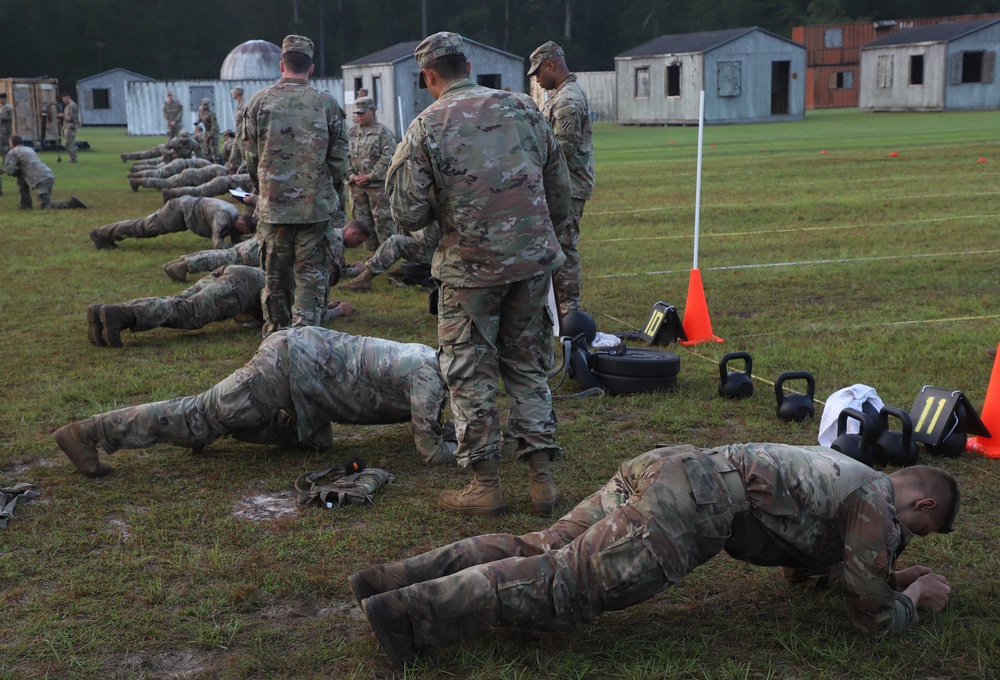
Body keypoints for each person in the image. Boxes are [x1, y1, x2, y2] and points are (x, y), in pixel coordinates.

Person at [352, 443, 960, 670]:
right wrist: (909, 597)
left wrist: (873, 572)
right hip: (692, 503)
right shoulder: (875, 503)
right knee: (566, 582)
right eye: (917, 530)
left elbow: (801, 559)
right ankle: (406, 612)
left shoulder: (845, 472)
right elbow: (873, 619)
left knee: (545, 546)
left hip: (670, 464)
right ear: (921, 500)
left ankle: (396, 577)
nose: (902, 538)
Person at [386, 32, 572, 516]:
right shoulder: (527, 109)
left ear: (429, 76)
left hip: (470, 271)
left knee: (470, 372)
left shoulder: (426, 126)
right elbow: (559, 189)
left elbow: (406, 214)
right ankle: (542, 482)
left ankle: (485, 485)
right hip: (531, 265)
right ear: (467, 64)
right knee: (528, 366)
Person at [54, 327, 459, 477]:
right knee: (198, 414)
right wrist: (467, 449)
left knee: (318, 443)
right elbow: (430, 450)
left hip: (309, 379)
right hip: (287, 364)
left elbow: (437, 420)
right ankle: (88, 433)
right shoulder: (426, 377)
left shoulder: (428, 358)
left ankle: (229, 425)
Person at [243, 34, 349, 336]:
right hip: (314, 209)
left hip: (273, 208)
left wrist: (265, 189)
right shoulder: (326, 102)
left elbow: (250, 156)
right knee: (311, 276)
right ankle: (306, 340)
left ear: (281, 65)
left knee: (275, 278)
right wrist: (326, 191)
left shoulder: (259, 101)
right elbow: (339, 161)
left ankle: (276, 338)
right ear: (311, 68)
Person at [86, 264, 352, 348]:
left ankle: (106, 316)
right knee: (189, 313)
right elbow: (306, 317)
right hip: (242, 287)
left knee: (180, 303)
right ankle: (121, 315)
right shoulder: (312, 283)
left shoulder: (300, 267)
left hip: (235, 273)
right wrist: (337, 311)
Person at [528, 41, 594, 319]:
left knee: (564, 249)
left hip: (568, 187)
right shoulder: (561, 94)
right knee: (556, 247)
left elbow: (562, 149)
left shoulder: (567, 100)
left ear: (550, 65)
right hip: (561, 186)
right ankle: (557, 308)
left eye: (538, 73)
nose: (537, 79)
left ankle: (569, 313)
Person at [163, 219, 370, 284]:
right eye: (359, 241)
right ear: (352, 233)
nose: (357, 246)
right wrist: (356, 270)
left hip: (270, 240)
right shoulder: (335, 242)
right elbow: (332, 271)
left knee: (229, 255)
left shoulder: (329, 230)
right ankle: (184, 265)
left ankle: (182, 262)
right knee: (230, 257)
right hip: (273, 249)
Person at [89, 196, 253, 250]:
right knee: (145, 227)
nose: (240, 233)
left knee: (144, 227)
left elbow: (237, 241)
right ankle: (100, 234)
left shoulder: (236, 217)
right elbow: (218, 245)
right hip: (179, 211)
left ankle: (104, 234)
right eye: (243, 231)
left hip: (188, 214)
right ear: (241, 224)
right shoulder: (224, 216)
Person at [347, 96, 397, 253]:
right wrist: (351, 176)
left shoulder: (383, 133)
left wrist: (371, 176)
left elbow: (388, 158)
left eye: (362, 113)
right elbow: (343, 156)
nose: (359, 116)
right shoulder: (351, 133)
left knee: (383, 220)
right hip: (357, 188)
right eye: (357, 113)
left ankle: (388, 254)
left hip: (377, 188)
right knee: (363, 222)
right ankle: (371, 254)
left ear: (372, 111)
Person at [342, 221, 438, 292]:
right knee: (405, 222)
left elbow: (428, 238)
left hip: (443, 252)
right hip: (440, 248)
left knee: (396, 242)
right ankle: (412, 270)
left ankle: (365, 278)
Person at [0, 136, 86, 209]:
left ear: (12, 144)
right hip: (48, 175)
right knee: (21, 175)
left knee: (45, 206)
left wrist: (4, 170)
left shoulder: (13, 152)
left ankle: (72, 203)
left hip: (41, 180)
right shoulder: (28, 149)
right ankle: (25, 204)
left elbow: (10, 171)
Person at [130, 163, 228, 192]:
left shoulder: (219, 167)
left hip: (191, 175)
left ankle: (139, 180)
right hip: (189, 176)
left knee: (166, 182)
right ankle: (138, 181)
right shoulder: (221, 171)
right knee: (166, 183)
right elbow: (219, 183)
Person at [161, 172, 252, 202]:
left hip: (225, 184)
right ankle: (171, 192)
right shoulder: (257, 181)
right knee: (198, 192)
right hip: (223, 183)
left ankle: (172, 193)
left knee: (198, 191)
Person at [57, 92, 81, 163]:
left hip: (70, 126)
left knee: (68, 143)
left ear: (67, 97)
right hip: (67, 126)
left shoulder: (72, 106)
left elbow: (72, 117)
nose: (63, 101)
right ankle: (73, 155)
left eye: (63, 99)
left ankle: (73, 158)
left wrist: (63, 116)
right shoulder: (69, 106)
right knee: (68, 143)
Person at [228, 87, 247, 173]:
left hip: (243, 136)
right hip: (237, 136)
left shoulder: (244, 106)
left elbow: (247, 122)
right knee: (233, 158)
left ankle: (246, 177)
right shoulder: (238, 106)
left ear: (237, 93)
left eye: (234, 92)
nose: (233, 94)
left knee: (245, 158)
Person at [0, 92, 13, 197]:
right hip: (1, 132)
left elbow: (5, 118)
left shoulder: (7, 108)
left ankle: (8, 163)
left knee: (4, 149)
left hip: (4, 132)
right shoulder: (2, 107)